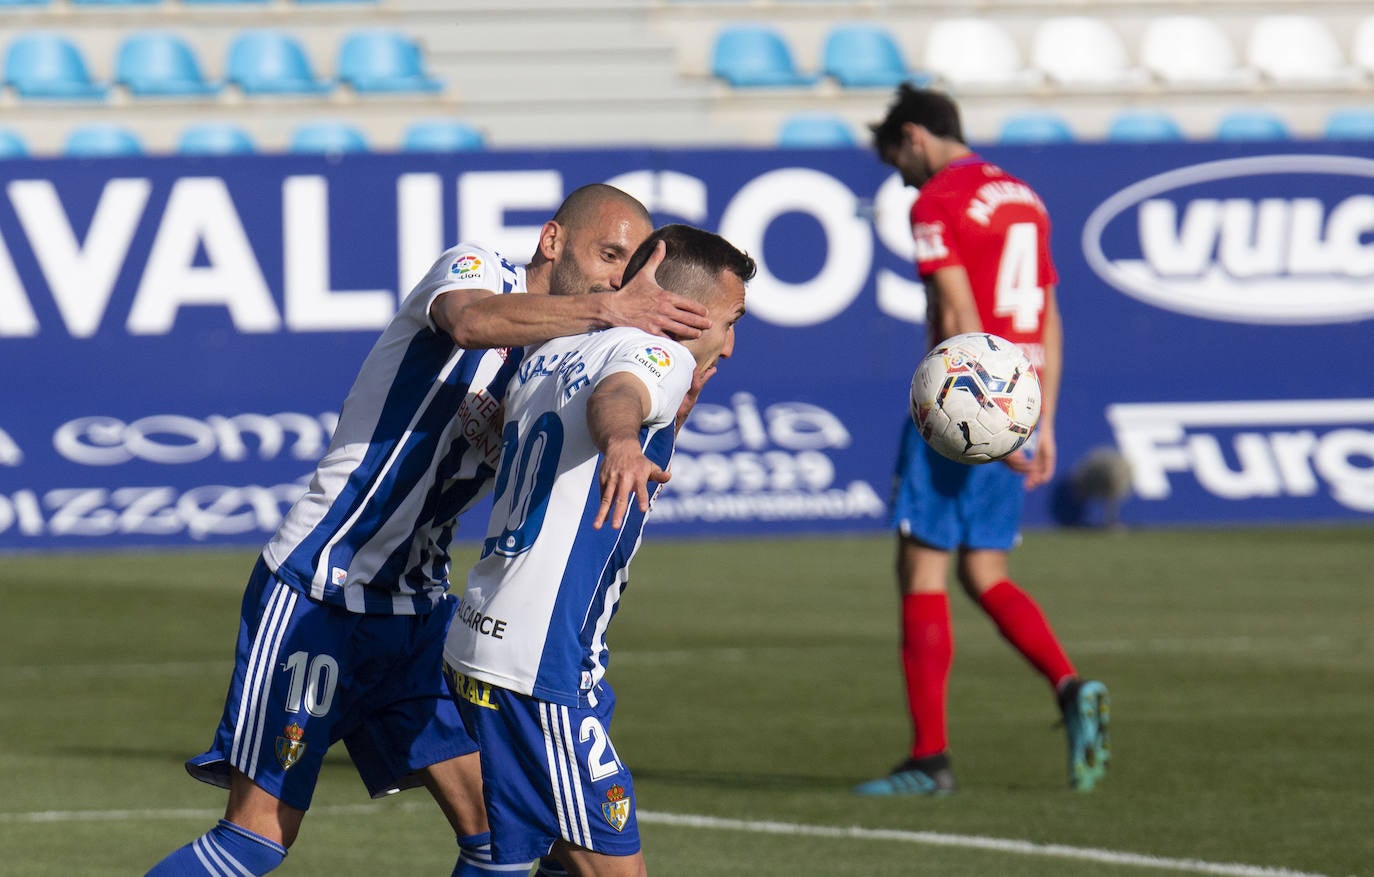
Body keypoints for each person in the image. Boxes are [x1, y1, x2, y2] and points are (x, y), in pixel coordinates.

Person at [144, 184, 714, 876]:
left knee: (503, 837)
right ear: (552, 239)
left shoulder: (560, 360)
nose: (612, 277)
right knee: (256, 838)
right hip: (320, 588)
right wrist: (607, 311)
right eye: (607, 254)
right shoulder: (476, 269)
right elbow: (469, 323)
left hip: (416, 614)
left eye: (625, 270)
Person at [443, 224, 754, 876]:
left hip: (484, 637)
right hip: (540, 662)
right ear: (685, 311)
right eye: (730, 320)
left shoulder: (558, 347)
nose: (732, 342)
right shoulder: (656, 357)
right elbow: (620, 398)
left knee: (524, 855)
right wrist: (620, 441)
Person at [853, 85, 1110, 796]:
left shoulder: (935, 199)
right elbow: (1049, 313)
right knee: (985, 572)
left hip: (969, 401)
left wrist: (979, 418)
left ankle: (929, 759)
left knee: (923, 569)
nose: (900, 175)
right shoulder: (1024, 195)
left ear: (914, 137)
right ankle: (1067, 684)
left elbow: (959, 306)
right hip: (1020, 393)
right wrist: (1041, 418)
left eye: (896, 159)